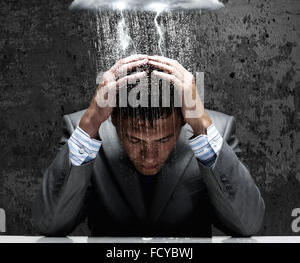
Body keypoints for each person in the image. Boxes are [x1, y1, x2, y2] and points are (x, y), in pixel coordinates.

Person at [33, 54, 265, 237]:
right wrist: (90, 124)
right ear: (114, 120)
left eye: (163, 140)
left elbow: (247, 224)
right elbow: (50, 223)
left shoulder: (217, 130)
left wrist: (202, 126)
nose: (150, 155)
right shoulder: (84, 130)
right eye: (135, 140)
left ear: (183, 120)